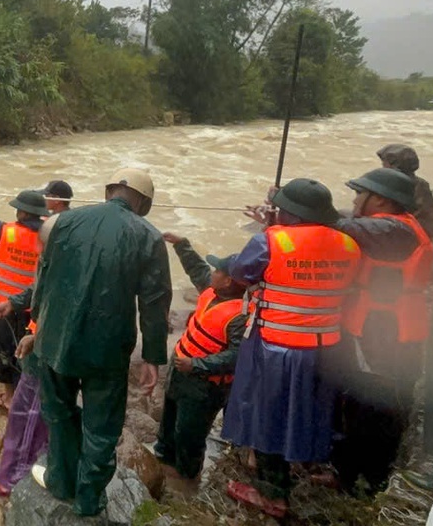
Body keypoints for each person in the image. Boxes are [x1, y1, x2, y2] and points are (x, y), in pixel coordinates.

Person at [28, 169, 171, 517]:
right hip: (106, 350)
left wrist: (35, 326)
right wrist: (153, 357)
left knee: (58, 414)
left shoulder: (62, 222)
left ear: (109, 191)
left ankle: (61, 481)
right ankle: (89, 499)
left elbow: (42, 279)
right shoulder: (149, 237)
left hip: (55, 340)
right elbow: (154, 302)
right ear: (144, 202)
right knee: (102, 426)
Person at [222, 178, 362, 518]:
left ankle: (273, 495)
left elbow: (241, 272)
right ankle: (306, 462)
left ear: (288, 212)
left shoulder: (271, 240)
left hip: (276, 347)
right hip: (326, 347)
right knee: (308, 413)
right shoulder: (349, 245)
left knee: (267, 417)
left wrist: (267, 231)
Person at [328, 168, 433, 494]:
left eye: (361, 193)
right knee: (360, 406)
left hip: (388, 336)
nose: (354, 198)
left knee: (376, 414)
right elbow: (347, 220)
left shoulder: (393, 232)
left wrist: (300, 208)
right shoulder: (392, 227)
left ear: (382, 200)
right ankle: (347, 474)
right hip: (381, 331)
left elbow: (341, 224)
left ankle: (368, 483)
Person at [0, 179, 74, 497]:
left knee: (26, 413)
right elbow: (46, 292)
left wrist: (34, 335)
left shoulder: (16, 235)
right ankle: (42, 459)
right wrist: (17, 304)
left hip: (42, 340)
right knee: (46, 410)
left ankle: (10, 481)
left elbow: (54, 300)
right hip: (34, 322)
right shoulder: (64, 252)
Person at [155, 235, 246, 488]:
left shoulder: (240, 316)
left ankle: (186, 480)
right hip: (181, 371)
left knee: (190, 434)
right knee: (169, 418)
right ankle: (162, 455)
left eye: (217, 270)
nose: (212, 272)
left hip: (205, 385)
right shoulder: (212, 290)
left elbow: (237, 356)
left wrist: (198, 365)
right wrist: (181, 244)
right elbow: (196, 268)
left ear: (228, 280)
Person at [0, 190, 49, 404]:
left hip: (1, 305)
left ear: (21, 213)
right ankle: (30, 393)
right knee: (29, 350)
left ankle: (10, 397)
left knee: (2, 350)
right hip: (33, 306)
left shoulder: (2, 232)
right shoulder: (50, 235)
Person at [377, 144, 433, 238]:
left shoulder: (411, 185)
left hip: (413, 235)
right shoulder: (420, 183)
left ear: (394, 165)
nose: (383, 166)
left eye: (385, 163)